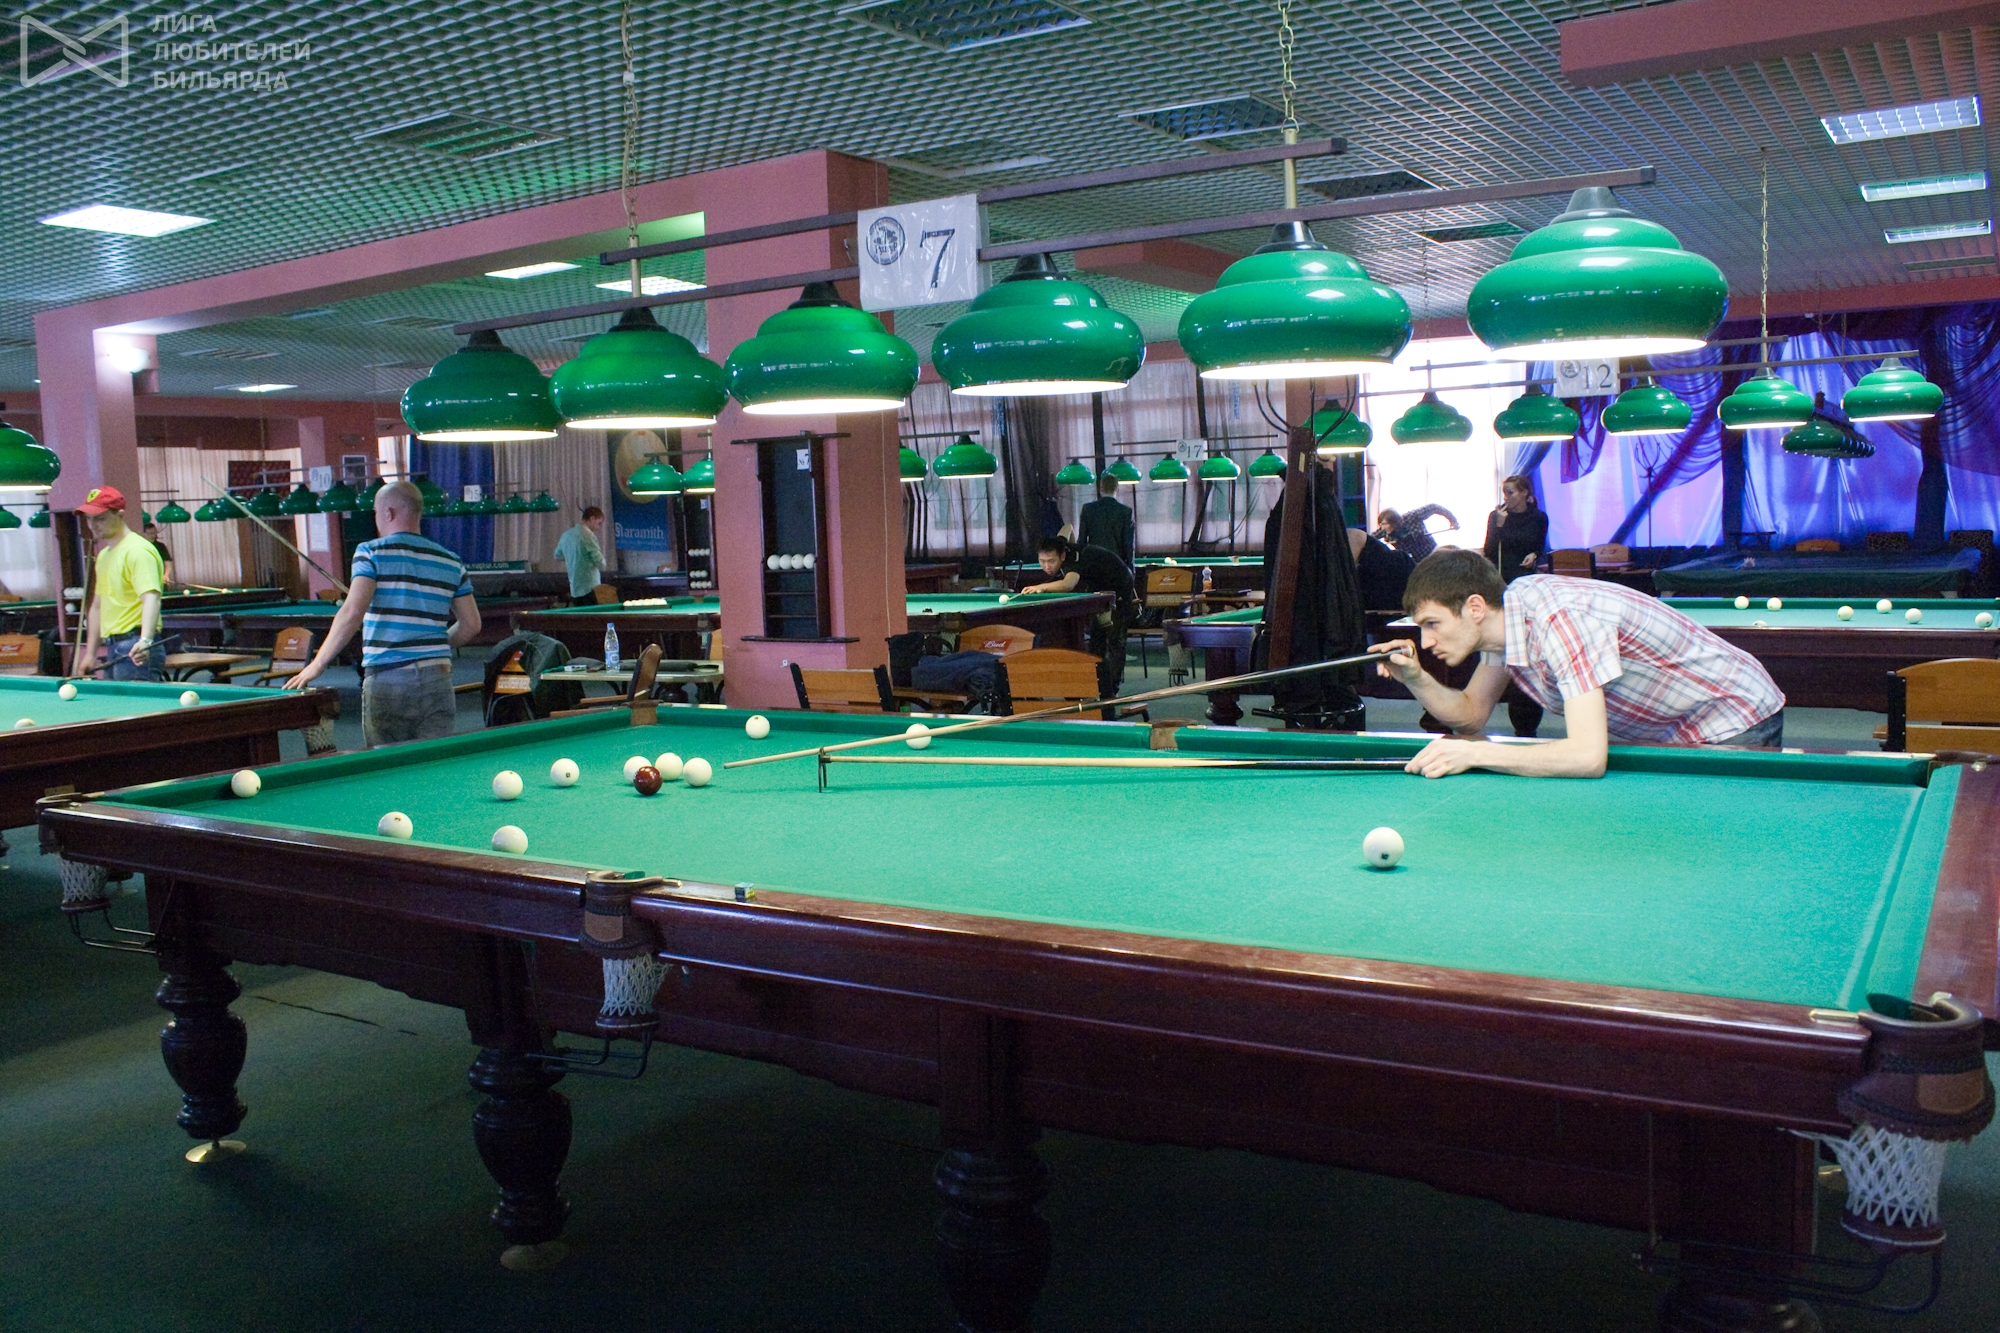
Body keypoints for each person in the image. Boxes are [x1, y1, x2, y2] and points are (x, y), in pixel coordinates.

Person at [1378, 548, 1785, 779]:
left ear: (1475, 607)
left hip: (1733, 714)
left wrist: (1477, 754)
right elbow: (1470, 716)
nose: (1426, 641)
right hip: (1675, 728)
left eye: (1432, 624)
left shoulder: (1558, 620)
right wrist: (1416, 678)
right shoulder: (1505, 624)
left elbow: (1587, 757)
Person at [286, 480, 481, 747]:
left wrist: (317, 664)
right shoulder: (451, 560)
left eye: (376, 512)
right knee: (433, 763)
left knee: (386, 763)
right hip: (437, 678)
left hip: (389, 678)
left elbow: (353, 611)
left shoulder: (370, 552)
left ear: (388, 513)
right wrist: (433, 647)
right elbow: (471, 626)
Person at [1020, 534, 1137, 695]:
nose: (1047, 566)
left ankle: (1111, 691)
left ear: (1062, 556)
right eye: (1042, 561)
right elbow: (1068, 528)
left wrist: (1041, 587)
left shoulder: (1073, 559)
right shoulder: (1062, 544)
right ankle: (1096, 687)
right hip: (1098, 590)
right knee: (1096, 641)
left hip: (1120, 585)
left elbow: (1068, 584)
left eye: (1051, 561)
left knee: (1115, 641)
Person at [74, 486, 165, 681]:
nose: (93, 525)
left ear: (120, 515)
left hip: (135, 647)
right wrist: (90, 653)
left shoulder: (137, 551)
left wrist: (145, 641)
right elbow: (97, 606)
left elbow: (151, 598)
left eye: (100, 518)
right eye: (89, 519)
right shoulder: (104, 556)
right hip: (113, 647)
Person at [1483, 475, 1549, 580]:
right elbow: (1489, 551)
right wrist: (1499, 526)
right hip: (1500, 573)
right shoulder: (1496, 515)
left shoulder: (1539, 517)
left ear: (1524, 493)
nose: (1505, 498)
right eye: (1504, 493)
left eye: (1510, 493)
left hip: (1526, 574)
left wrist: (1534, 554)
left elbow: (1539, 546)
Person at [1077, 472, 1135, 568]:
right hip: (1117, 565)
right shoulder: (1126, 512)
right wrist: (1130, 569)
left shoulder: (1087, 509)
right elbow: (1128, 545)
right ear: (1117, 489)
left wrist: (1080, 566)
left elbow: (1081, 541)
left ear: (1101, 488)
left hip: (1094, 564)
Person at [554, 505, 607, 606]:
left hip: (574, 588)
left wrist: (572, 557)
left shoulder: (566, 535)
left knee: (579, 615)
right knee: (593, 615)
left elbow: (557, 555)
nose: (598, 527)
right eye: (599, 523)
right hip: (591, 587)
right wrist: (603, 563)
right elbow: (600, 562)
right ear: (592, 519)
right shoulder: (588, 535)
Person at [1374, 504, 1456, 562]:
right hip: (1416, 561)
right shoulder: (1383, 530)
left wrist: (1453, 520)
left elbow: (1434, 507)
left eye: (1384, 524)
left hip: (1433, 553)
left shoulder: (1412, 517)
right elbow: (1370, 539)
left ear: (1394, 522)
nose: (1382, 528)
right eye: (1381, 524)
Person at [141, 520, 176, 587]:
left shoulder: (161, 546)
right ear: (144, 533)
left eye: (154, 533)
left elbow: (168, 563)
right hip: (146, 581)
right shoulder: (141, 546)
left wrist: (166, 575)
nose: (152, 535)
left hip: (160, 580)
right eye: (149, 533)